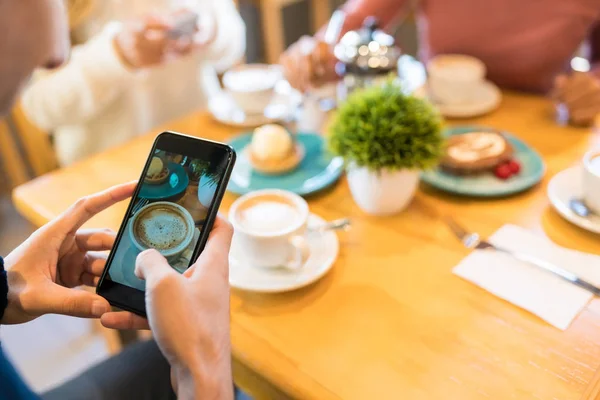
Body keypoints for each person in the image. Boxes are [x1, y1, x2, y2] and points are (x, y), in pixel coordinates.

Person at [0, 1, 234, 399]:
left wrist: (5, 292)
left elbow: (230, 36)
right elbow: (41, 104)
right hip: (99, 162)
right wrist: (206, 367)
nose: (56, 55)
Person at [280, 0, 600, 126]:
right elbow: (355, 21)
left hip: (543, 127)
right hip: (433, 122)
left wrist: (592, 89)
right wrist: (316, 51)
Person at [20, 0, 245, 166]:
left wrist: (212, 29)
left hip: (200, 145)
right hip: (105, 170)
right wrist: (116, 56)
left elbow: (234, 45)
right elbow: (39, 107)